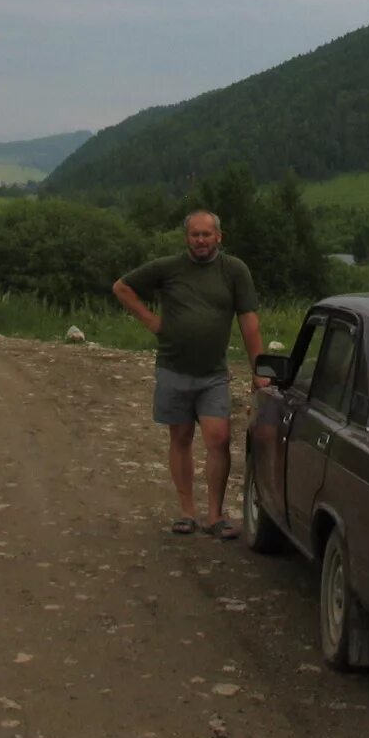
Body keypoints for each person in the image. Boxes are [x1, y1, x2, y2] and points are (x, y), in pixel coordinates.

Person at [112, 210, 263, 539]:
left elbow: (248, 320)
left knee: (219, 439)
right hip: (173, 369)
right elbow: (122, 287)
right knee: (180, 439)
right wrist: (151, 321)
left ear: (218, 237)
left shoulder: (234, 270)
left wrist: (259, 369)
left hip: (213, 374)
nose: (201, 240)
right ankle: (187, 512)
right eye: (195, 234)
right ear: (187, 238)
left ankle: (215, 515)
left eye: (207, 234)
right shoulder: (168, 268)